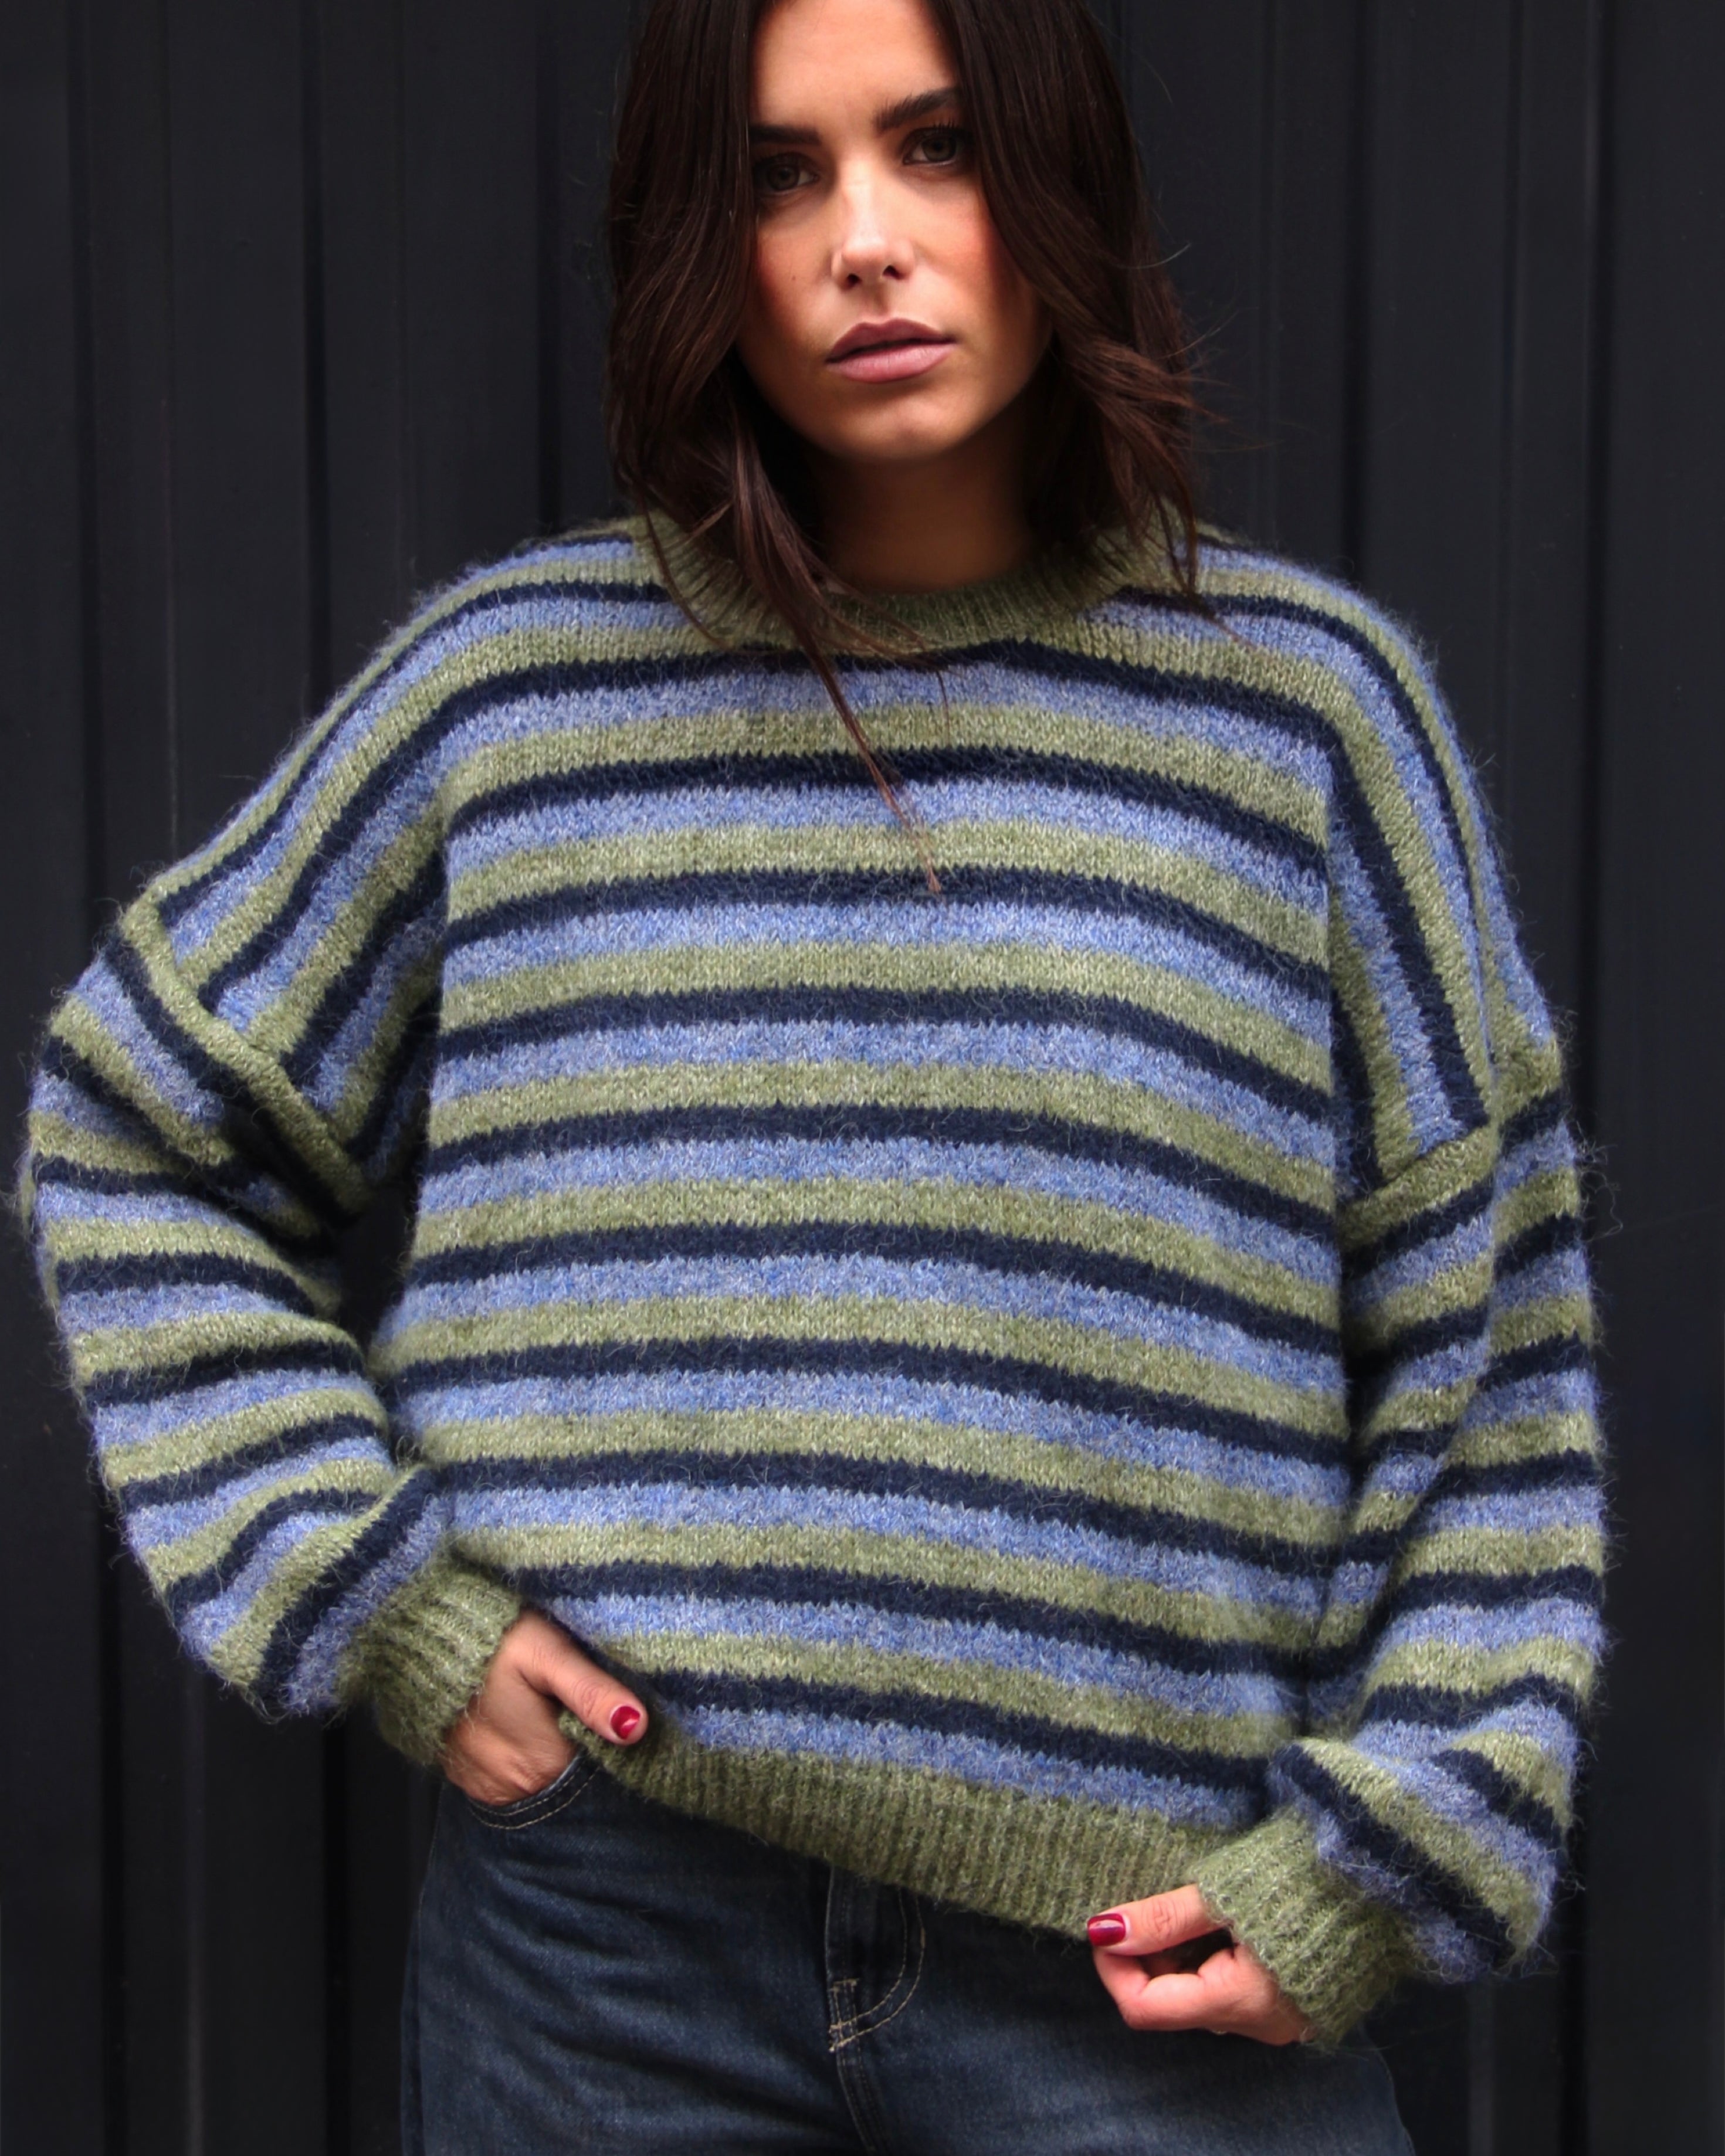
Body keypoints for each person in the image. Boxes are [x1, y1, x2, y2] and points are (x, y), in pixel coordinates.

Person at [18, 0, 1605, 2147]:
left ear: (1062, 184)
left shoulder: (1308, 724)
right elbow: (136, 1126)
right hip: (604, 1951)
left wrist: (1382, 1851)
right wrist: (374, 1600)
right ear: (699, 244)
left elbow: (1496, 1361)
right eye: (781, 175)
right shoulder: (513, 701)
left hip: (1150, 1975)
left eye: (939, 146)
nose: (866, 238)